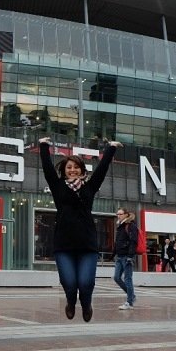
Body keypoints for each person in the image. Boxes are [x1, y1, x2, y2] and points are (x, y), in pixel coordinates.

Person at [38, 136, 122, 323]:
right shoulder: (58, 186)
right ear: (65, 171)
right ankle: (70, 302)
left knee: (85, 283)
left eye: (76, 167)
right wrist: (43, 146)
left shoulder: (90, 187)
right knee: (69, 283)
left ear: (82, 170)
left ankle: (86, 304)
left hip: (87, 245)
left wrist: (111, 149)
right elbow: (47, 170)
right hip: (63, 245)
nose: (73, 170)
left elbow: (101, 170)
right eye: (69, 167)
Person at [112, 207, 137, 310]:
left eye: (120, 214)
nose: (118, 216)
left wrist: (130, 256)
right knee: (116, 277)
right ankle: (132, 296)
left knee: (127, 279)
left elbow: (133, 241)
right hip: (120, 256)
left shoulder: (130, 226)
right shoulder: (120, 226)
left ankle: (129, 302)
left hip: (127, 257)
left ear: (126, 214)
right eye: (117, 214)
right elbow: (118, 242)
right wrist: (113, 254)